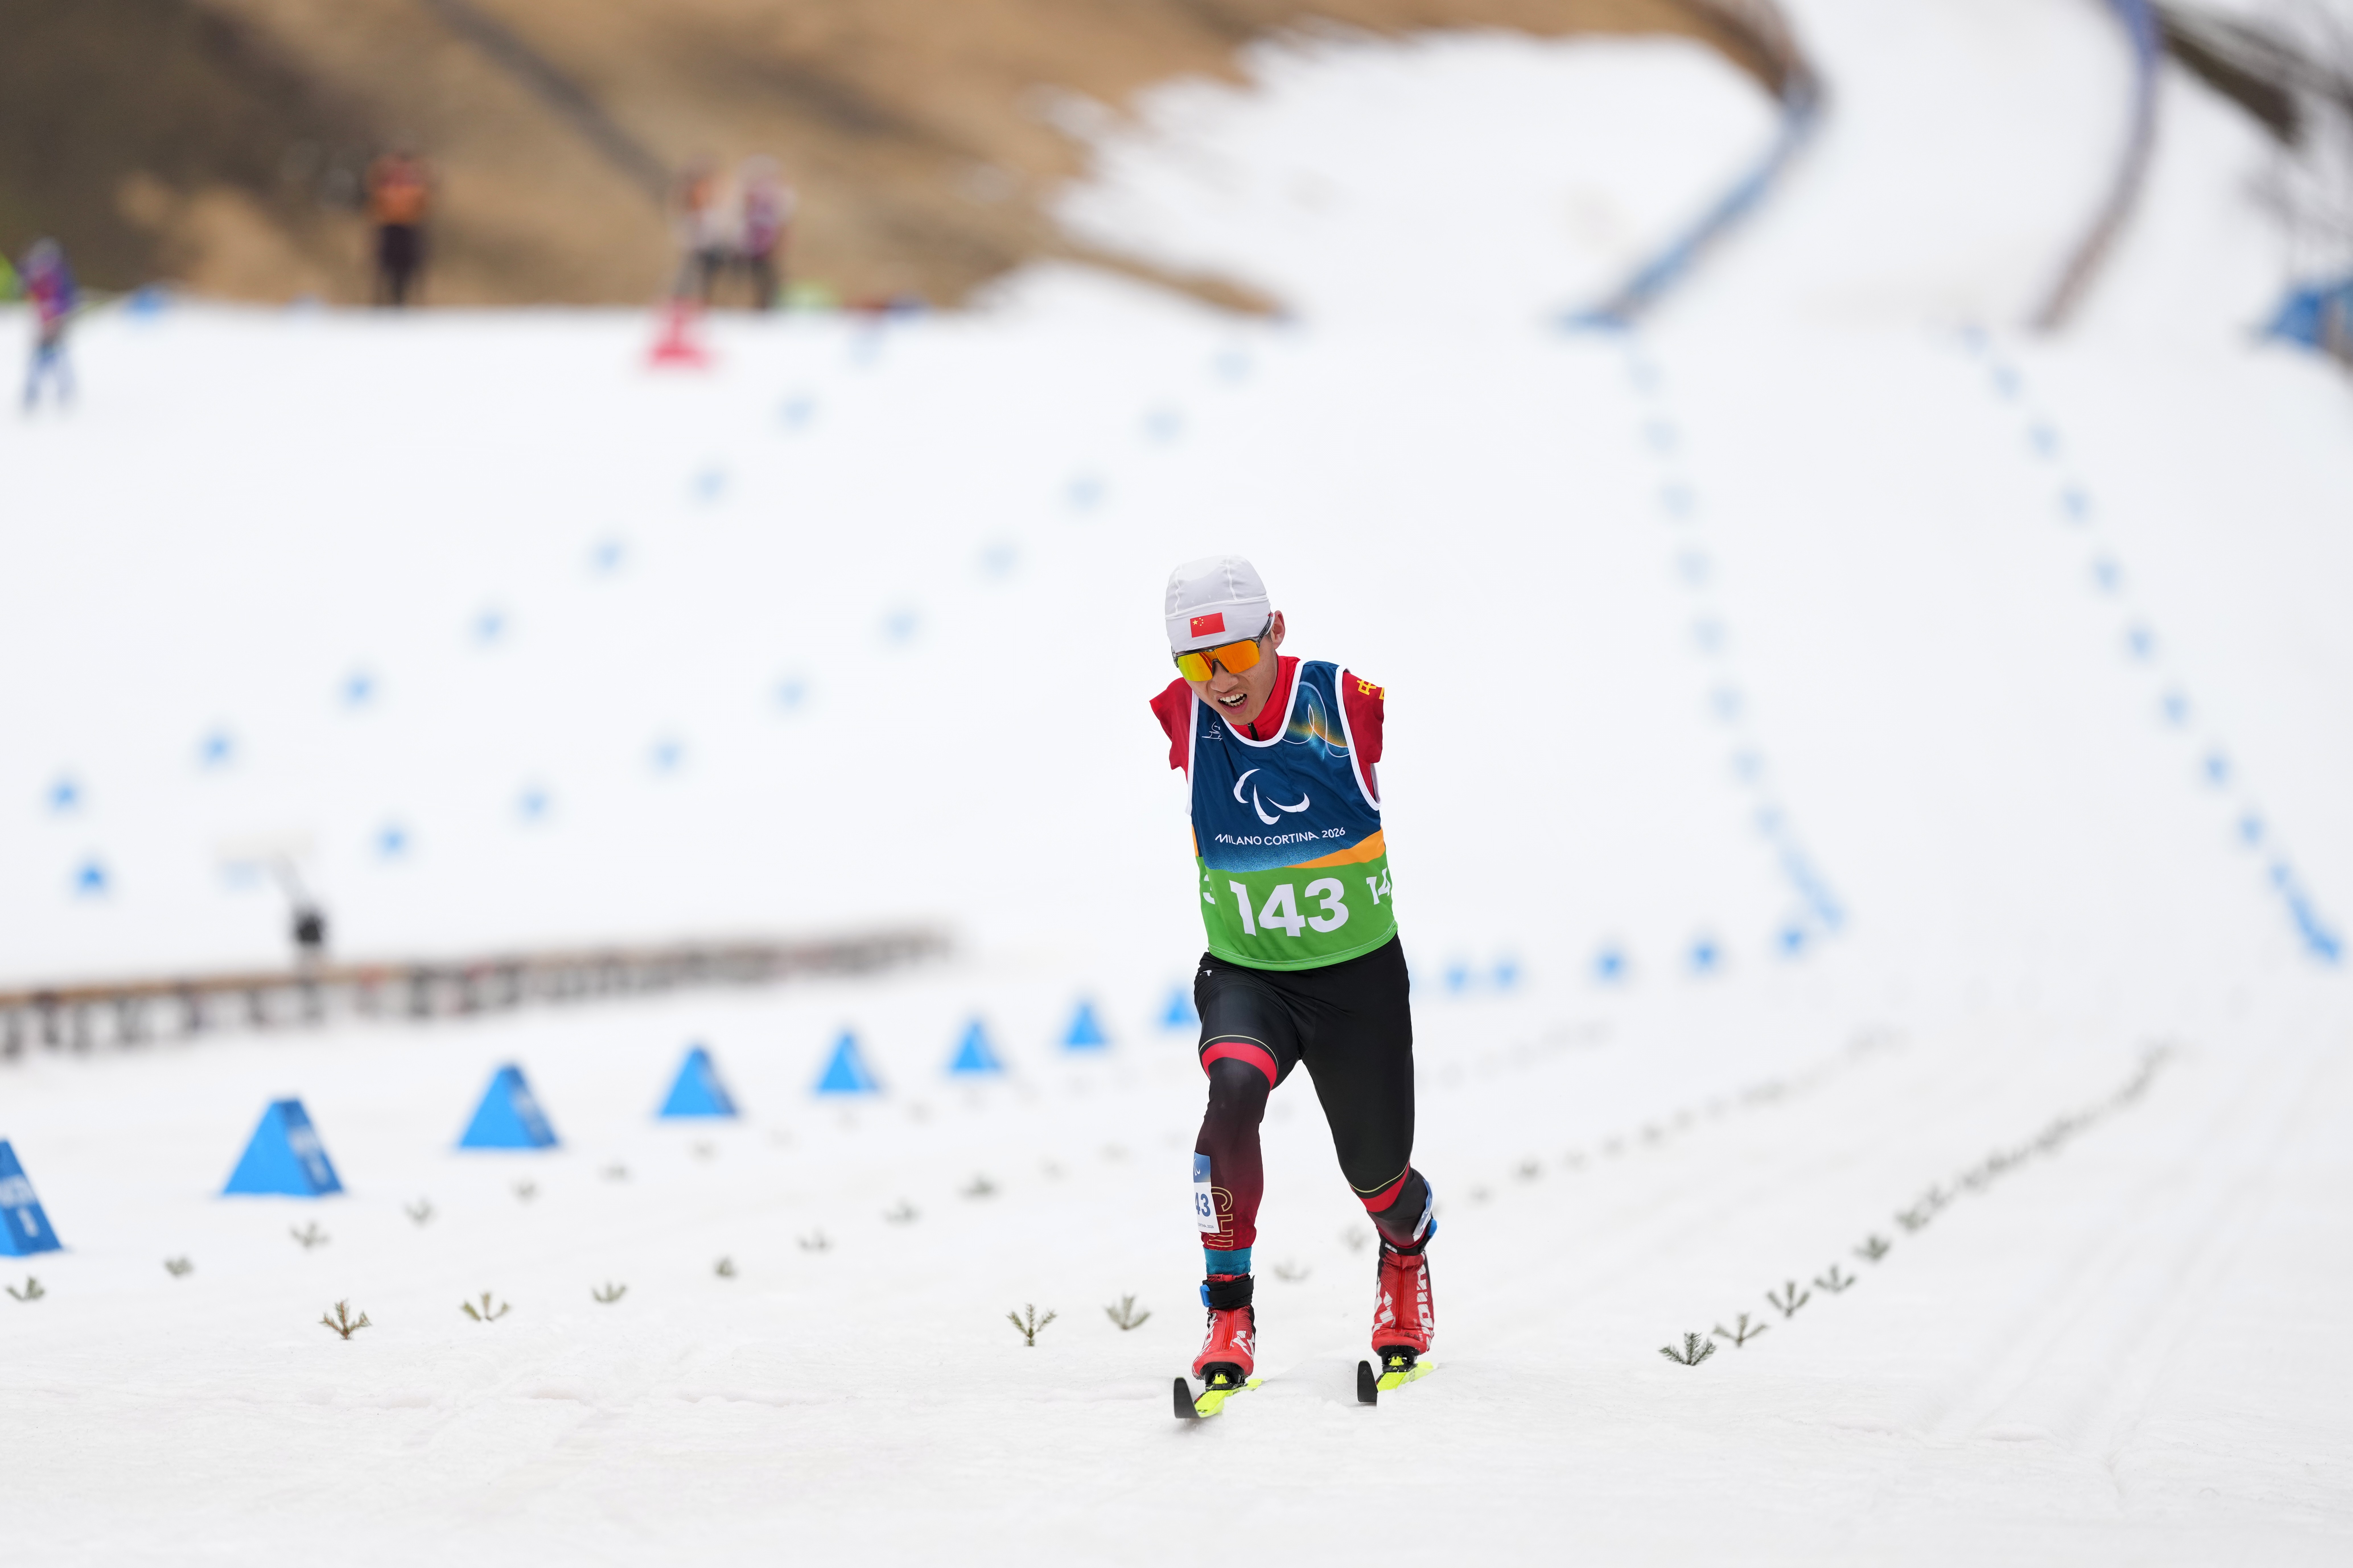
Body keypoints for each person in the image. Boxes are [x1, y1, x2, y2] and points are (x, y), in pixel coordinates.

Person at [1149, 554, 1435, 1399]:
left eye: (1233, 655)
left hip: (1357, 984)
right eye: (1194, 665)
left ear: (1274, 632)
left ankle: (1404, 1250)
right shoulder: (1180, 719)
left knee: (1378, 1178)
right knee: (1230, 1092)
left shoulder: (1346, 704)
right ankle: (1227, 1314)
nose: (1217, 681)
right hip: (1249, 976)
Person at [367, 145, 431, 306]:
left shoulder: (416, 177)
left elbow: (424, 201)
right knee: (384, 267)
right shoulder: (385, 175)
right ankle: (381, 302)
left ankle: (403, 302)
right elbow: (374, 196)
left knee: (407, 268)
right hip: (389, 227)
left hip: (409, 227)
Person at [21, 239, 76, 411]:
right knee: (43, 358)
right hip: (44, 324)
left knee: (55, 357)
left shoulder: (57, 277)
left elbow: (66, 299)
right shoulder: (39, 276)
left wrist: (56, 318)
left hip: (55, 324)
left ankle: (63, 391)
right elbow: (31, 294)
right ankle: (34, 393)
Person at [737, 156, 794, 310]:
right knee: (755, 282)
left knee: (769, 282)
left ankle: (767, 308)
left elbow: (783, 223)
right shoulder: (753, 195)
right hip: (755, 247)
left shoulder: (776, 196)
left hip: (766, 247)